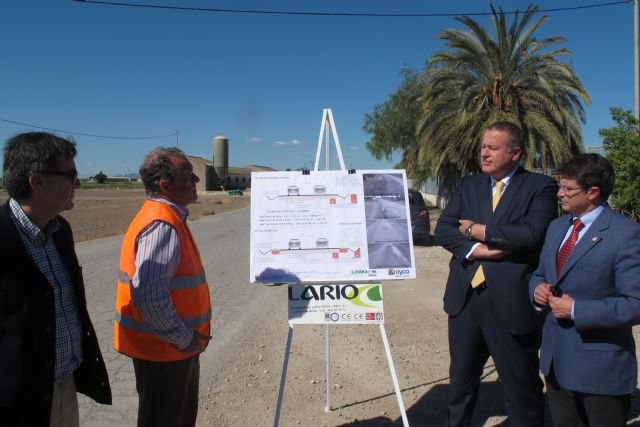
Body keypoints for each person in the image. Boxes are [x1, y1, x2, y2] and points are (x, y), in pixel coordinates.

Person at [434, 121, 558, 426]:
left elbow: (532, 233)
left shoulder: (539, 187)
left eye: (492, 147)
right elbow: (445, 229)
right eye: (482, 147)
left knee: (521, 385)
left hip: (511, 300)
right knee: (460, 382)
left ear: (515, 152)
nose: (484, 153)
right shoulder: (469, 185)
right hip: (466, 299)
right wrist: (478, 249)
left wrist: (477, 229)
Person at [0, 132, 112, 426]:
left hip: (65, 387)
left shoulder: (60, 230)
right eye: (71, 175)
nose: (78, 183)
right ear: (36, 182)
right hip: (18, 404)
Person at [529, 153, 640, 426]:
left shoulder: (626, 234)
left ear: (593, 192)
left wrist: (576, 309)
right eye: (560, 186)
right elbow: (540, 273)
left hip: (599, 370)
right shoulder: (557, 227)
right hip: (556, 363)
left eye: (568, 188)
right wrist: (537, 290)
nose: (559, 194)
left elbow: (635, 303)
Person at [114, 147, 212, 427]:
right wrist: (184, 339)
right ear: (165, 185)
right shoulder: (161, 224)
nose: (195, 179)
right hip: (166, 352)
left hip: (167, 349)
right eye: (188, 175)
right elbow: (150, 296)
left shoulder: (165, 217)